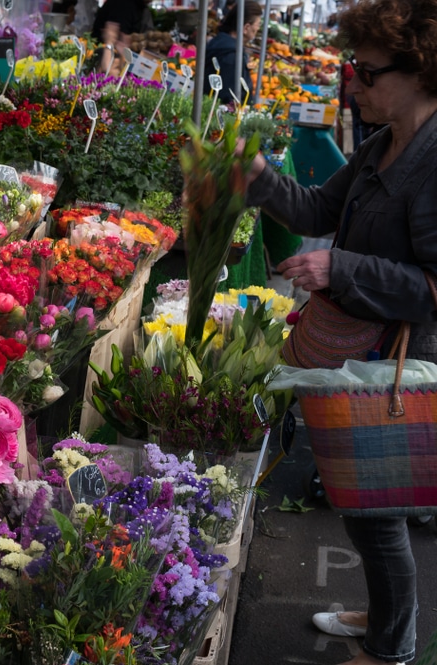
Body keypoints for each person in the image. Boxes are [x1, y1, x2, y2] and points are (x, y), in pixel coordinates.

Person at [245, 0, 437, 663]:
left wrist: (340, 265)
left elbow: (433, 286)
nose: (352, 82)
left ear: (418, 72)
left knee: (378, 514)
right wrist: (259, 179)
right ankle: (385, 616)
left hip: (400, 364)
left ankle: (391, 647)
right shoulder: (384, 144)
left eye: (367, 70)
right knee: (362, 503)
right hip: (360, 350)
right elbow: (317, 205)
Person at [202, 1, 263, 104]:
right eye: (258, 24)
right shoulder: (232, 57)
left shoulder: (221, 43)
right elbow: (228, 99)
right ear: (246, 28)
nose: (258, 28)